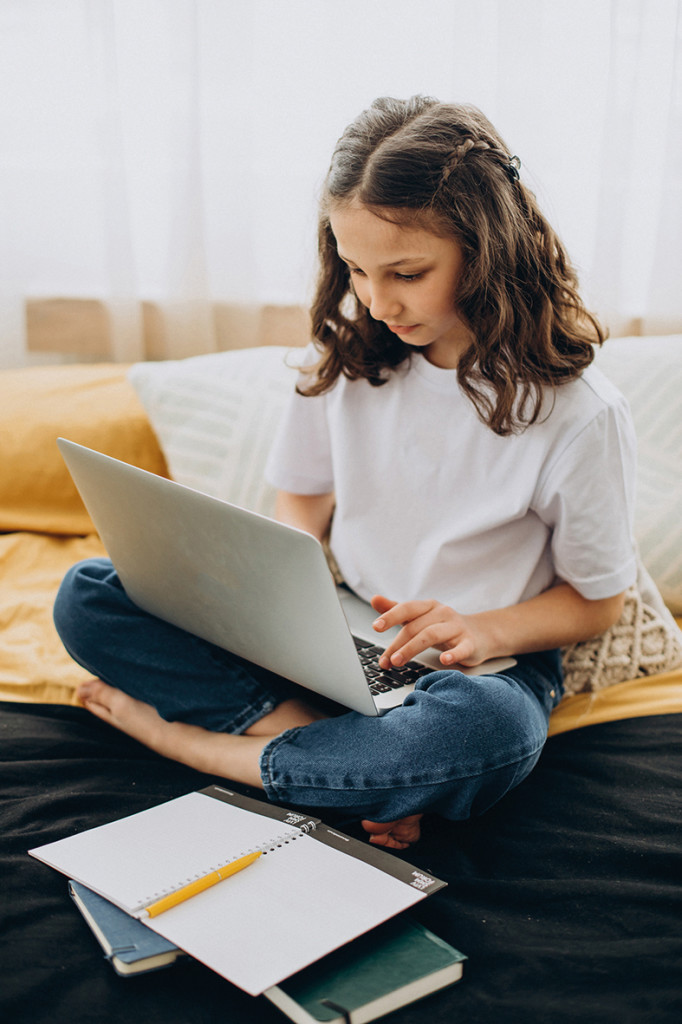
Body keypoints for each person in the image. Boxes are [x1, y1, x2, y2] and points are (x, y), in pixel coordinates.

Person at [54, 96, 637, 850]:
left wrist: (476, 627)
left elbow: (598, 602)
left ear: (486, 249)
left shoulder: (578, 411)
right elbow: (300, 496)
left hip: (481, 666)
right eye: (356, 268)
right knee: (89, 595)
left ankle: (201, 748)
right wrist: (282, 582)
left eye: (407, 272)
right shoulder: (345, 362)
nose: (376, 298)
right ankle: (332, 751)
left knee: (488, 735)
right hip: (334, 629)